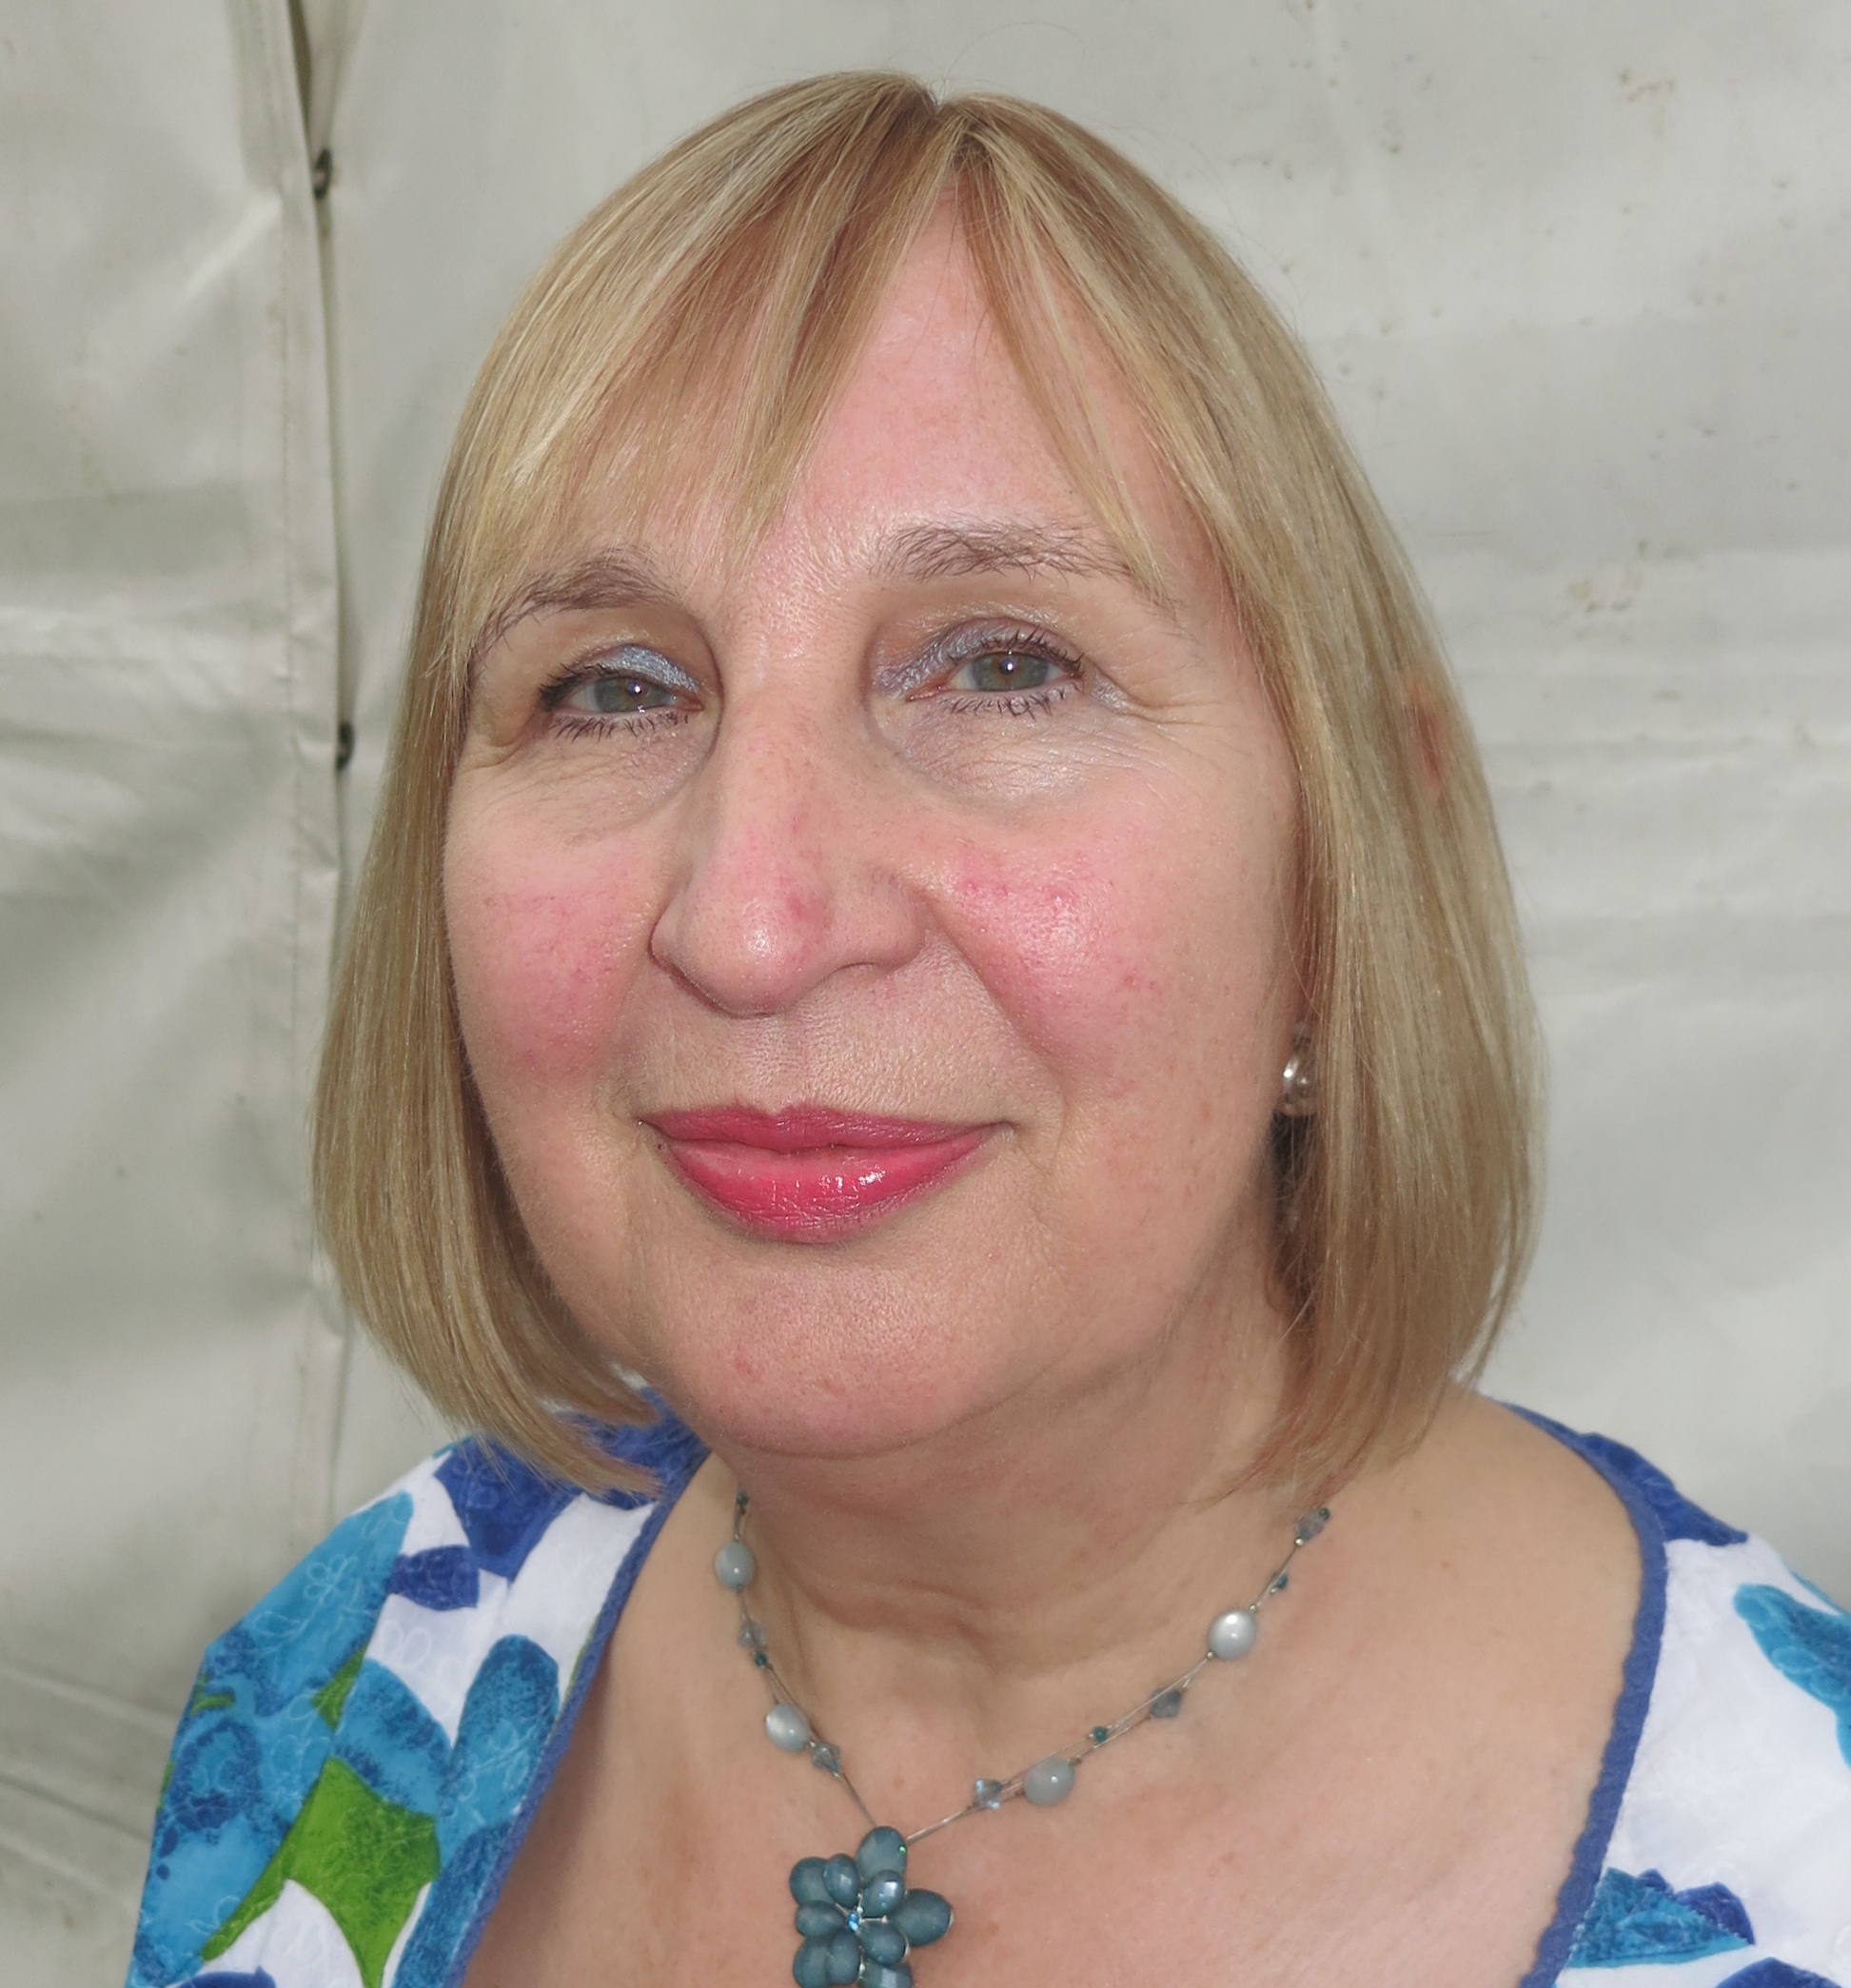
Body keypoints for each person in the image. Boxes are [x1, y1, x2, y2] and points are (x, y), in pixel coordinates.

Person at [126, 73, 1850, 1988]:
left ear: (1337, 887)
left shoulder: (1801, 1872)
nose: (749, 921)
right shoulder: (349, 1689)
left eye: (1006, 667)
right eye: (614, 688)